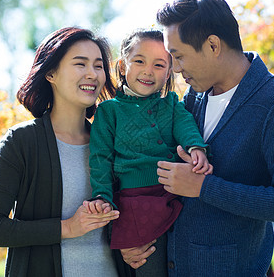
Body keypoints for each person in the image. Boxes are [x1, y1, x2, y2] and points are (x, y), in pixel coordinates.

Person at [120, 0, 274, 276]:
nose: (174, 69)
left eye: (179, 56)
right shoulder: (193, 97)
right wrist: (132, 236)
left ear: (213, 45)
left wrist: (204, 188)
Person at [0, 27, 122, 277]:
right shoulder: (20, 142)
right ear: (51, 73)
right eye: (80, 64)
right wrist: (67, 228)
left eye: (98, 66)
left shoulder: (114, 142)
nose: (92, 74)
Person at [86, 29, 212, 277]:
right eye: (140, 61)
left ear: (168, 71)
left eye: (159, 64)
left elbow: (186, 126)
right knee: (148, 264)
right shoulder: (109, 111)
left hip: (176, 195)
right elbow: (100, 159)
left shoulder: (172, 105)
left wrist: (196, 148)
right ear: (122, 66)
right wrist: (102, 195)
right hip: (135, 203)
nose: (148, 70)